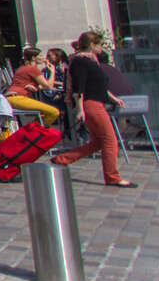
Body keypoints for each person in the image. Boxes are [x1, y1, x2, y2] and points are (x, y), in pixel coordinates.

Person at [51, 32, 133, 187]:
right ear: (92, 45)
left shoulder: (92, 61)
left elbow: (99, 85)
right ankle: (112, 177)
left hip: (96, 103)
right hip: (91, 105)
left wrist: (114, 99)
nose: (102, 48)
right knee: (110, 140)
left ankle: (62, 159)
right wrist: (80, 109)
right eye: (100, 45)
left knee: (97, 143)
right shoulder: (79, 62)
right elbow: (79, 87)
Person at [4, 47, 60, 127]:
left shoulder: (22, 68)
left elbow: (25, 84)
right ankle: (36, 132)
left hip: (11, 97)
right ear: (34, 58)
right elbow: (48, 86)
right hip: (18, 98)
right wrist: (52, 71)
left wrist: (36, 87)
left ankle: (32, 130)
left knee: (44, 113)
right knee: (54, 112)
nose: (44, 58)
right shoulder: (33, 69)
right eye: (40, 56)